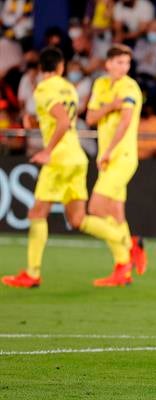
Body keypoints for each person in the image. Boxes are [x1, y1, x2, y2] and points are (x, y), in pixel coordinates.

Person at [1, 47, 131, 288]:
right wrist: (37, 123)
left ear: (41, 69)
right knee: (78, 219)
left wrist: (47, 151)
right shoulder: (68, 88)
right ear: (61, 67)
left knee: (37, 214)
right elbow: (63, 118)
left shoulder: (43, 88)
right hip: (77, 158)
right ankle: (127, 244)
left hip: (59, 160)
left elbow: (61, 120)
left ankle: (32, 273)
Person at [85, 44, 147, 287]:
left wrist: (108, 151)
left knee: (96, 208)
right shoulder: (100, 84)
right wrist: (111, 106)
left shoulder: (130, 86)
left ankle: (129, 249)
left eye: (127, 63)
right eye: (120, 62)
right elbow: (90, 118)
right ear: (108, 63)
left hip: (121, 156)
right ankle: (124, 268)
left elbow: (126, 121)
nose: (124, 68)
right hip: (108, 157)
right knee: (116, 214)